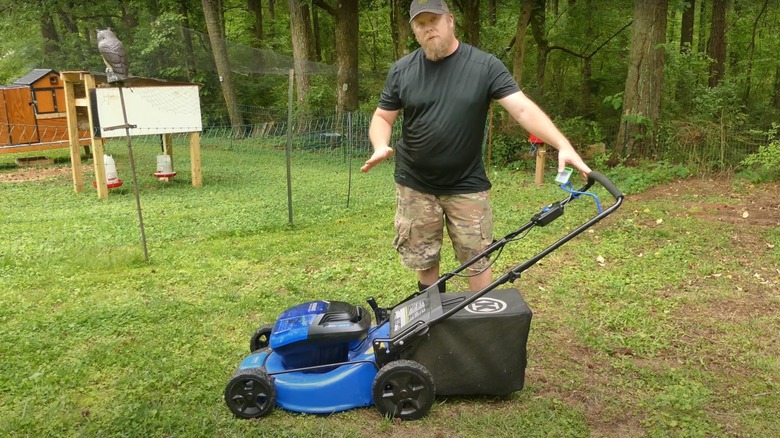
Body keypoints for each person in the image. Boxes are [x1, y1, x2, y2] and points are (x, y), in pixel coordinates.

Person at [361, 0, 591, 293]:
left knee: (477, 257)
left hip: (466, 184)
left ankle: (481, 321)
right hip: (414, 183)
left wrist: (562, 144)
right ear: (414, 31)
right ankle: (431, 322)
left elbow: (521, 109)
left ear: (451, 20)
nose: (428, 27)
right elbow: (383, 116)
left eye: (434, 19)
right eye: (421, 23)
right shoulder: (402, 71)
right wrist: (379, 144)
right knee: (424, 257)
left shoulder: (484, 66)